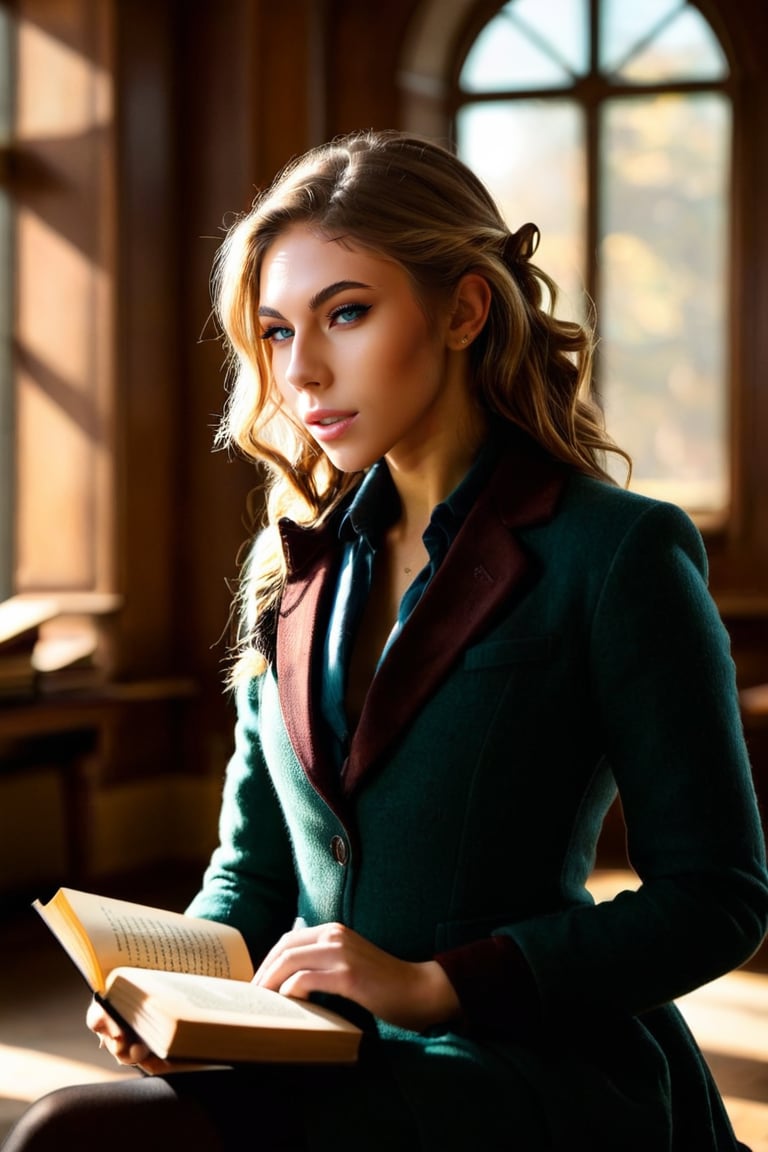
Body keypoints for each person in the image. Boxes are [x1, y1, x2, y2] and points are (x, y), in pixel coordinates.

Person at [4, 128, 767, 1152]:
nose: (303, 368)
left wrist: (436, 986)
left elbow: (718, 898)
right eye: (275, 332)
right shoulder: (292, 571)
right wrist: (167, 994)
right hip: (325, 1053)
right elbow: (255, 876)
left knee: (72, 1138)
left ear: (463, 310)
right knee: (71, 1131)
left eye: (347, 313)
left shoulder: (616, 552)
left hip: (529, 1071)